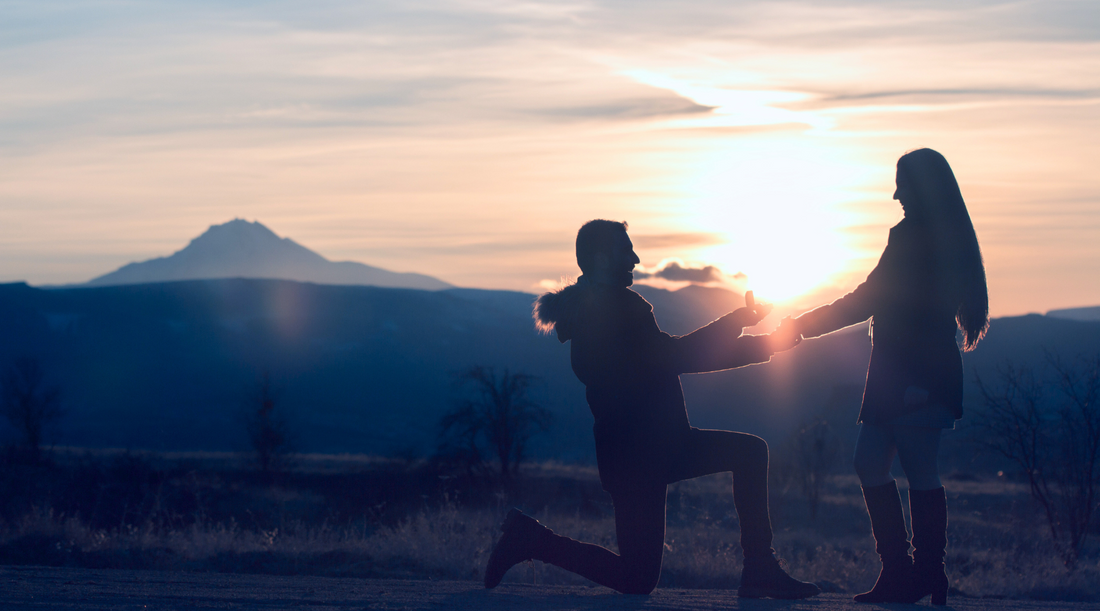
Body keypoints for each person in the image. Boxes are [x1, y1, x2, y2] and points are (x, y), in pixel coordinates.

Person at [483, 219, 820, 599]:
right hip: (648, 454)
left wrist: (741, 323)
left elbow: (668, 354)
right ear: (600, 257)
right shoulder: (616, 309)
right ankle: (759, 569)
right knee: (748, 455)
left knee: (639, 576)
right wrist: (766, 343)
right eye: (626, 251)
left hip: (639, 454)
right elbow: (675, 356)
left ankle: (530, 539)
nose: (636, 258)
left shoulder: (592, 310)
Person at [790, 148, 989, 605]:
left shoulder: (928, 239)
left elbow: (891, 305)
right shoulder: (914, 235)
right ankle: (902, 572)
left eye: (902, 182)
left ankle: (925, 573)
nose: (895, 192)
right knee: (869, 463)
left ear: (923, 187)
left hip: (918, 375)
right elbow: (871, 297)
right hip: (891, 374)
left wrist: (803, 325)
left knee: (919, 469)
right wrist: (804, 324)